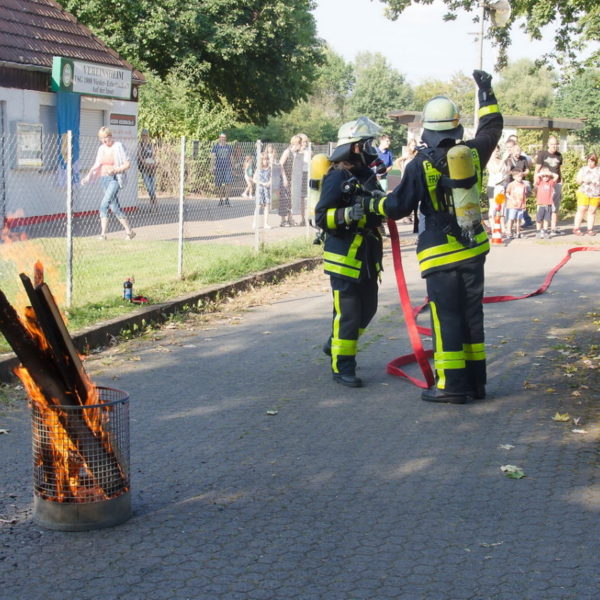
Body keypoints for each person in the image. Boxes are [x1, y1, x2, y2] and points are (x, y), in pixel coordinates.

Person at [362, 70, 503, 403]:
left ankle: (452, 387)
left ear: (427, 130)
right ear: (456, 127)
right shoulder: (473, 154)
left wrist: (372, 202)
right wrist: (486, 92)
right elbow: (492, 127)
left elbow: (397, 207)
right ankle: (476, 384)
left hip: (439, 253)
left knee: (446, 317)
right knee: (472, 316)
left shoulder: (417, 166)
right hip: (472, 249)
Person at [314, 116, 386, 388]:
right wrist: (346, 214)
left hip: (367, 257)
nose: (371, 148)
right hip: (344, 258)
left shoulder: (366, 175)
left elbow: (377, 208)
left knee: (369, 309)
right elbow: (321, 217)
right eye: (367, 143)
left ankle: (335, 343)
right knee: (348, 314)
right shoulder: (337, 177)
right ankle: (343, 366)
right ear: (355, 147)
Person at [82, 126, 135, 240]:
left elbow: (127, 164)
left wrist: (115, 170)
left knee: (104, 204)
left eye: (105, 138)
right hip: (103, 179)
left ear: (110, 136)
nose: (104, 141)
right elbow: (97, 164)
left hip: (114, 179)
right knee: (114, 207)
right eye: (101, 139)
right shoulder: (101, 148)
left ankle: (103, 234)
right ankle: (129, 231)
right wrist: (88, 177)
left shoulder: (118, 146)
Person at [535, 136, 563, 235]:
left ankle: (553, 229)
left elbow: (559, 169)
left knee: (555, 207)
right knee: (542, 206)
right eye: (552, 144)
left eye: (555, 144)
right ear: (548, 144)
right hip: (544, 184)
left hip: (556, 183)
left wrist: (561, 182)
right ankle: (540, 229)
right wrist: (536, 183)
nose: (554, 146)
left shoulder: (559, 155)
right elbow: (537, 170)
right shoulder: (542, 154)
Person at [573, 153, 600, 236]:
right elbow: (577, 180)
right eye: (588, 161)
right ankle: (576, 228)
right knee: (582, 209)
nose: (590, 163)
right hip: (584, 192)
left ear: (595, 162)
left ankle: (590, 229)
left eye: (592, 161)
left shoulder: (599, 170)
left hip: (596, 193)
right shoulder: (583, 169)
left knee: (592, 211)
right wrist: (583, 179)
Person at [280, 135, 304, 226]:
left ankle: (290, 218)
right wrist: (284, 178)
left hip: (294, 179)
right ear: (296, 143)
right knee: (284, 199)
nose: (301, 145)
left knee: (291, 200)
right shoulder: (287, 152)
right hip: (285, 178)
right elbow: (281, 164)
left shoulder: (297, 153)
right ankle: (283, 220)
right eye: (300, 144)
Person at [485, 145, 508, 232]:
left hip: (501, 186)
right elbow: (495, 170)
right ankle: (493, 226)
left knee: (501, 206)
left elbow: (505, 172)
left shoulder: (501, 160)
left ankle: (502, 226)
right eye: (494, 150)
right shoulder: (489, 161)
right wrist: (503, 160)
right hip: (492, 186)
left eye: (497, 151)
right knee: (493, 206)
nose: (496, 152)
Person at [533, 167, 558, 239]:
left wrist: (549, 173)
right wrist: (542, 173)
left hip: (548, 204)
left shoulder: (550, 182)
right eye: (544, 176)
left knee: (546, 219)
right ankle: (538, 232)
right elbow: (536, 175)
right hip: (540, 204)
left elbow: (556, 176)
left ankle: (545, 231)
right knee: (539, 219)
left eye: (547, 176)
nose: (545, 177)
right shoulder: (540, 182)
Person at [137, 129, 158, 210]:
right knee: (149, 188)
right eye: (143, 135)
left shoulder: (150, 145)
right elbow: (139, 155)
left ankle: (153, 206)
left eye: (146, 135)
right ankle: (155, 203)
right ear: (141, 136)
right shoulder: (140, 145)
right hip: (144, 168)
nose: (145, 137)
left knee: (152, 188)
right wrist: (144, 162)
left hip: (151, 168)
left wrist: (154, 163)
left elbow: (153, 156)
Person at [504, 169, 528, 238]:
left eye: (521, 176)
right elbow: (507, 194)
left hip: (520, 206)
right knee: (511, 219)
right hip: (512, 205)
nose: (520, 178)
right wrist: (512, 199)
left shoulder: (523, 184)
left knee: (518, 219)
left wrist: (524, 204)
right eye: (518, 176)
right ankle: (509, 231)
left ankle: (518, 232)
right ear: (514, 177)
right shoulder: (511, 184)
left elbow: (524, 195)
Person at [211, 133, 233, 206]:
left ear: (226, 138)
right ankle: (220, 199)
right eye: (221, 137)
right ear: (219, 138)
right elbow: (213, 157)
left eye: (224, 137)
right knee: (219, 184)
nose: (223, 139)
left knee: (228, 183)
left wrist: (233, 167)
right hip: (218, 167)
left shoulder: (229, 147)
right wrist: (212, 167)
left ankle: (226, 199)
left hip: (227, 167)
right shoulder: (216, 147)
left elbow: (231, 157)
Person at [252, 153, 272, 230]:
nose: (266, 161)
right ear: (261, 160)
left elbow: (272, 178)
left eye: (267, 159)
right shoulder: (258, 169)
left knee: (267, 206)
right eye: (264, 159)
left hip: (267, 189)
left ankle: (265, 223)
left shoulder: (270, 169)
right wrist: (261, 183)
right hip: (260, 189)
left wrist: (269, 183)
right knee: (258, 206)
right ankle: (254, 223)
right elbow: (254, 179)